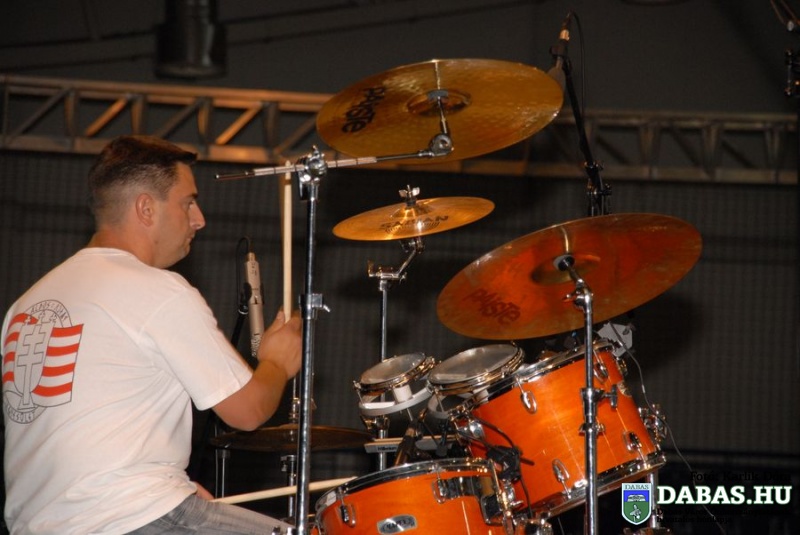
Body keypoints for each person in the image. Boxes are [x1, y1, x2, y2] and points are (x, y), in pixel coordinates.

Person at [1, 135, 303, 534]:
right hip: (128, 517)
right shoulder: (156, 289)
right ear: (146, 208)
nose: (199, 219)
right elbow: (248, 411)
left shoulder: (25, 305)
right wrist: (276, 362)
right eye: (188, 202)